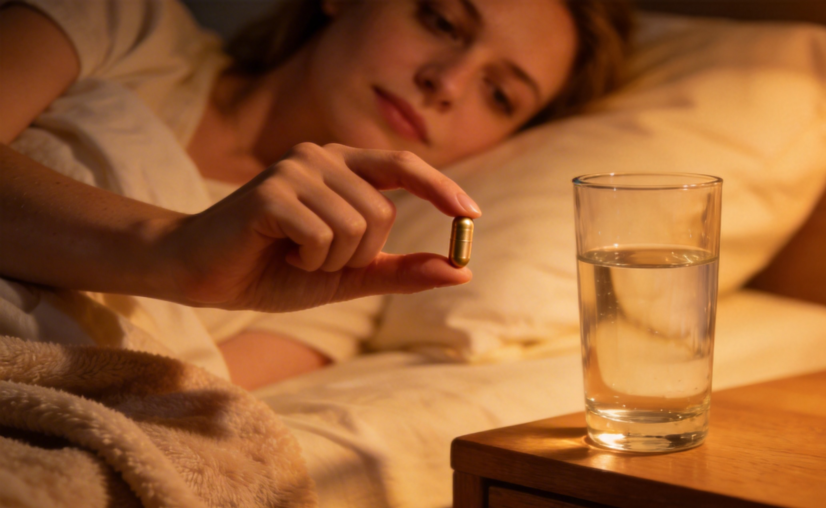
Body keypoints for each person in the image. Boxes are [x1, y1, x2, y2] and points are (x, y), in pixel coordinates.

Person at [0, 0, 632, 388]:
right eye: (441, 19)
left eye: (500, 96)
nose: (447, 81)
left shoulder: (342, 285)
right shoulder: (122, 25)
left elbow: (152, 407)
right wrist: (171, 252)